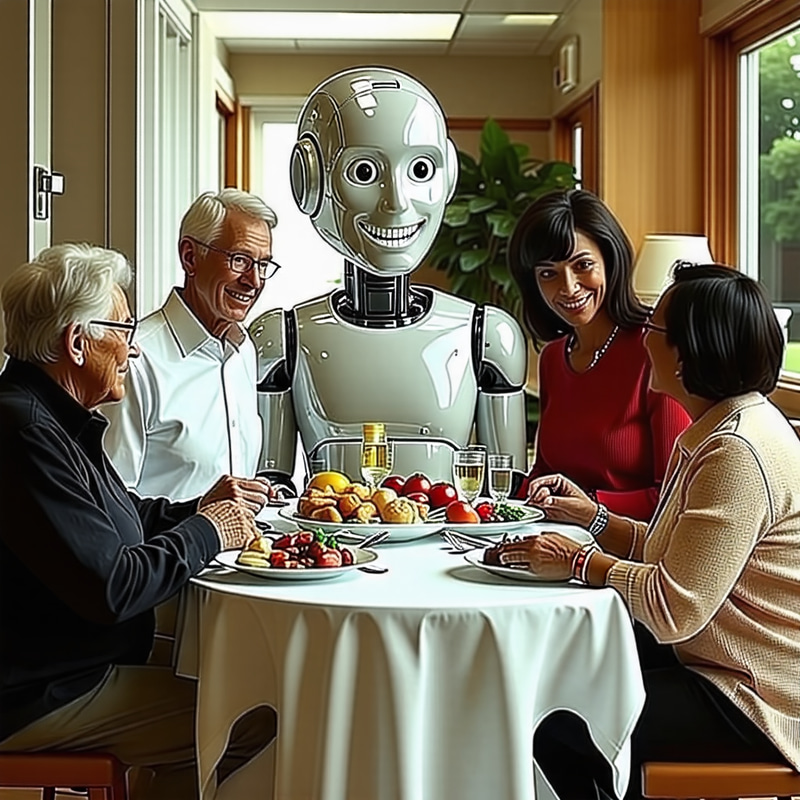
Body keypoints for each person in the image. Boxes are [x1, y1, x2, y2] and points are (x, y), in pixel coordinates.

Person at [494, 263, 800, 798]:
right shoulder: (721, 427)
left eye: (653, 331)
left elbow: (673, 606)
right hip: (719, 659)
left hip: (759, 694)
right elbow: (676, 554)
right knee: (570, 668)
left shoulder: (737, 452)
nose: (641, 343)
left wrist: (578, 562)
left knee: (555, 717)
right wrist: (592, 517)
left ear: (687, 355)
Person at [0, 243, 276, 799]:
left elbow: (117, 515)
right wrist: (210, 531)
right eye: (122, 330)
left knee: (226, 678)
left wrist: (198, 508)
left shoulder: (53, 414)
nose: (134, 350)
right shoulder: (25, 431)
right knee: (256, 720)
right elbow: (114, 587)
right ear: (77, 343)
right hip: (36, 691)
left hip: (71, 663)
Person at [507, 189, 691, 520]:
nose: (568, 287)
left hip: (629, 552)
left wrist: (589, 506)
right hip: (556, 542)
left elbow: (675, 494)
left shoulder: (655, 350)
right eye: (548, 273)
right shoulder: (552, 358)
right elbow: (543, 473)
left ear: (610, 258)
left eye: (582, 265)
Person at [104, 187, 286, 501]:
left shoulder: (244, 352)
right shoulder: (136, 360)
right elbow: (112, 504)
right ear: (190, 257)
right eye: (240, 260)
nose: (254, 281)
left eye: (263, 265)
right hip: (166, 550)